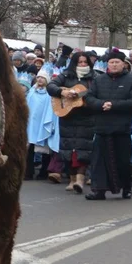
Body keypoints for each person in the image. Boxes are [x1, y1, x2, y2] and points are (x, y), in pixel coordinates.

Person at [83, 49, 132, 200]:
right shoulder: (99, 79)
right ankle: (99, 190)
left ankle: (126, 187)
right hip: (102, 126)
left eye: (117, 62)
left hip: (121, 128)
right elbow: (89, 97)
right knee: (99, 161)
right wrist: (101, 104)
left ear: (123, 64)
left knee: (123, 160)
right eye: (111, 62)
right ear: (107, 64)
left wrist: (113, 105)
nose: (114, 65)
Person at [47, 51, 96, 193]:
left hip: (86, 117)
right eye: (79, 62)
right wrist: (62, 92)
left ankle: (80, 180)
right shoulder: (66, 75)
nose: (82, 64)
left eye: (85, 62)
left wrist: (89, 102)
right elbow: (51, 86)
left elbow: (96, 94)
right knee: (67, 149)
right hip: (67, 116)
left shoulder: (95, 78)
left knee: (83, 149)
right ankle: (72, 179)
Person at [26, 69, 59, 181]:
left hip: (43, 122)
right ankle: (28, 172)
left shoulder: (49, 94)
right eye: (38, 77)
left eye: (43, 77)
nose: (39, 79)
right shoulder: (32, 91)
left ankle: (44, 171)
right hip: (31, 123)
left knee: (45, 148)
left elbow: (50, 109)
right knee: (29, 148)